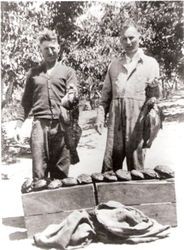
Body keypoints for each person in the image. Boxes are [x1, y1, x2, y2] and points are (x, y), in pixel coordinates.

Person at [14, 29, 79, 184]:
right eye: (46, 49)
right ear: (40, 50)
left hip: (62, 126)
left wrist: (72, 95)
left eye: (53, 48)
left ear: (59, 48)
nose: (50, 52)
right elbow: (26, 101)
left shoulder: (68, 72)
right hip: (39, 126)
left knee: (61, 173)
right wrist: (18, 124)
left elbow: (73, 94)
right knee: (39, 173)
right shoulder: (33, 74)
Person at [95, 21, 161, 173]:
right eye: (124, 39)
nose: (128, 42)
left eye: (131, 37)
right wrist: (100, 116)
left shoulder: (151, 63)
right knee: (109, 167)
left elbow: (155, 99)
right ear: (120, 40)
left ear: (139, 37)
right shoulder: (114, 65)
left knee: (137, 168)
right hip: (115, 121)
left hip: (138, 121)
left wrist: (154, 88)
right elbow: (105, 95)